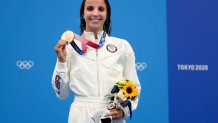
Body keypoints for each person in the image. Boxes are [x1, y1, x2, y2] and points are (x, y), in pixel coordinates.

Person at [52, 0, 141, 123]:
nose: (95, 13)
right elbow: (62, 94)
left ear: (107, 14)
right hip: (80, 115)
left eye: (101, 9)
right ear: (82, 14)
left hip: (110, 114)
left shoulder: (122, 46)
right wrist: (62, 61)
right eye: (89, 8)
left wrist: (124, 110)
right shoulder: (70, 47)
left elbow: (134, 86)